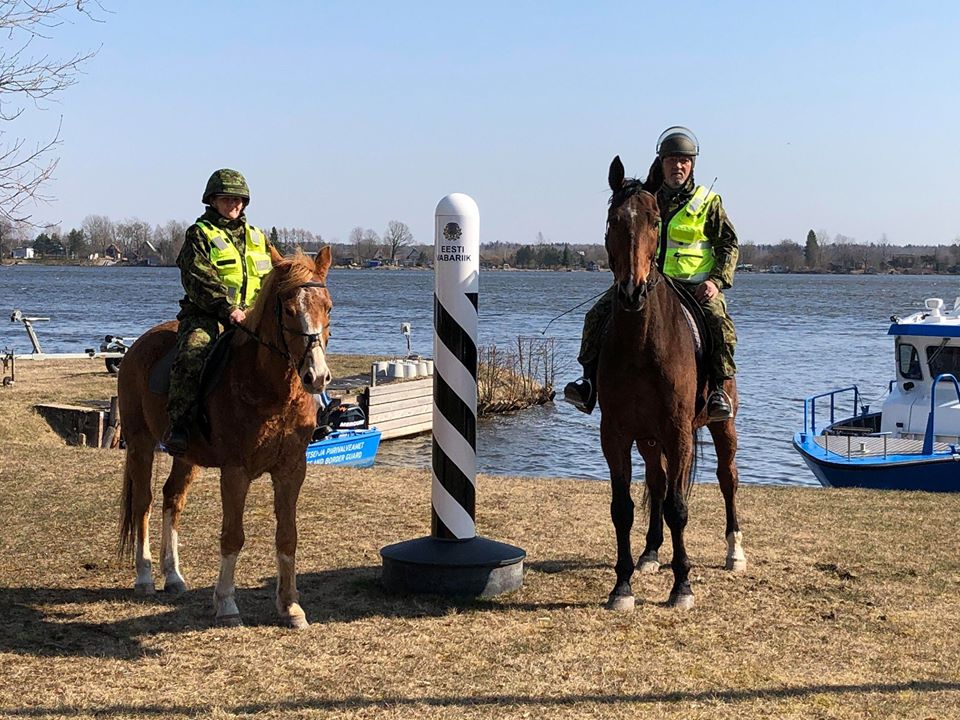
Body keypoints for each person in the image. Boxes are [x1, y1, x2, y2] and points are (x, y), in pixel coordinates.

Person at [563, 126, 740, 421]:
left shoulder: (708, 202)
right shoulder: (647, 197)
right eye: (671, 160)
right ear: (661, 164)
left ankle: (719, 391)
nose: (678, 166)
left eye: (684, 161)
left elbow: (728, 243)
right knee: (595, 316)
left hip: (694, 285)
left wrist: (716, 280)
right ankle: (589, 383)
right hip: (651, 281)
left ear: (692, 164)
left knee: (718, 322)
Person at [162, 168, 276, 456]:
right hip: (208, 315)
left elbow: (274, 277)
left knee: (295, 348)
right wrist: (229, 310)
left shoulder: (258, 237)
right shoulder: (200, 234)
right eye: (227, 199)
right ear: (212, 200)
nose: (234, 204)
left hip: (254, 317)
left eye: (239, 199)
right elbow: (197, 278)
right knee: (192, 353)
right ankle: (180, 425)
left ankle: (311, 415)